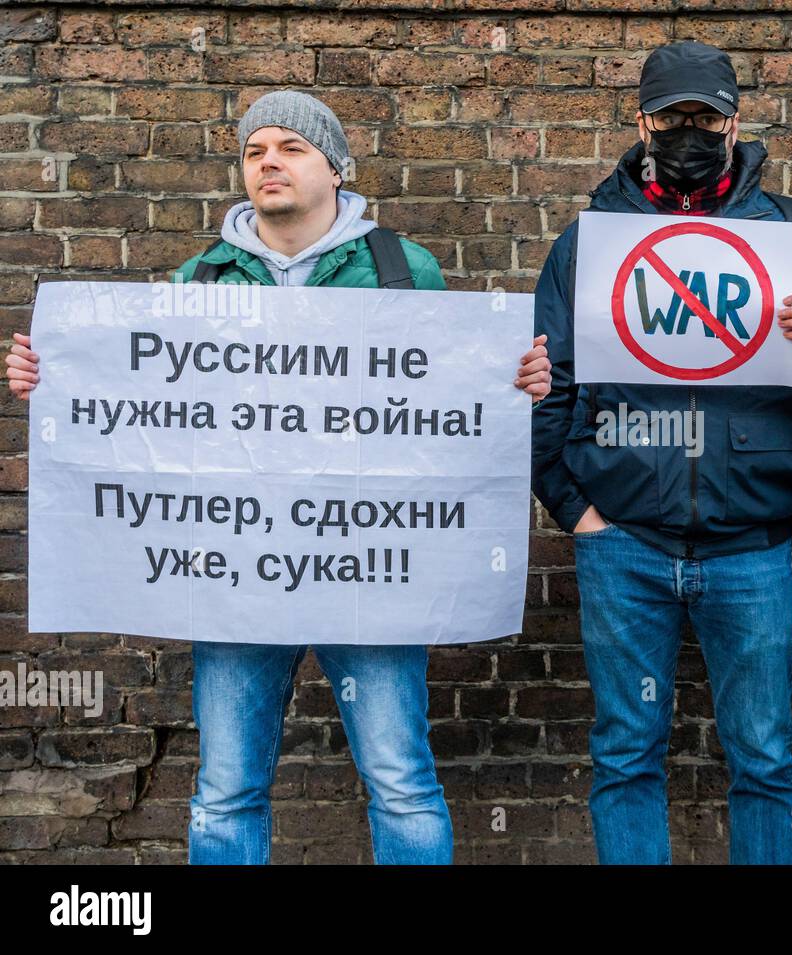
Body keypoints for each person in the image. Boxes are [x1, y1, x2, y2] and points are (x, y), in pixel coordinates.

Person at [6, 90, 553, 865]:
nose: (270, 162)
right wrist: (51, 375)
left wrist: (515, 379)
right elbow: (146, 402)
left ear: (335, 166)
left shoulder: (401, 268)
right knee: (226, 787)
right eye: (255, 150)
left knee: (401, 780)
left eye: (291, 148)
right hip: (237, 571)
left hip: (370, 569)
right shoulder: (199, 278)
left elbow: (449, 398)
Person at [531, 42, 792, 864]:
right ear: (643, 121)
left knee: (764, 759)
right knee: (625, 756)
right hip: (623, 541)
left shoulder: (789, 233)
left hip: (750, 546)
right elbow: (547, 385)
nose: (690, 131)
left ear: (734, 122)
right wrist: (575, 510)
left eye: (707, 116)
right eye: (673, 116)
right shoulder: (592, 240)